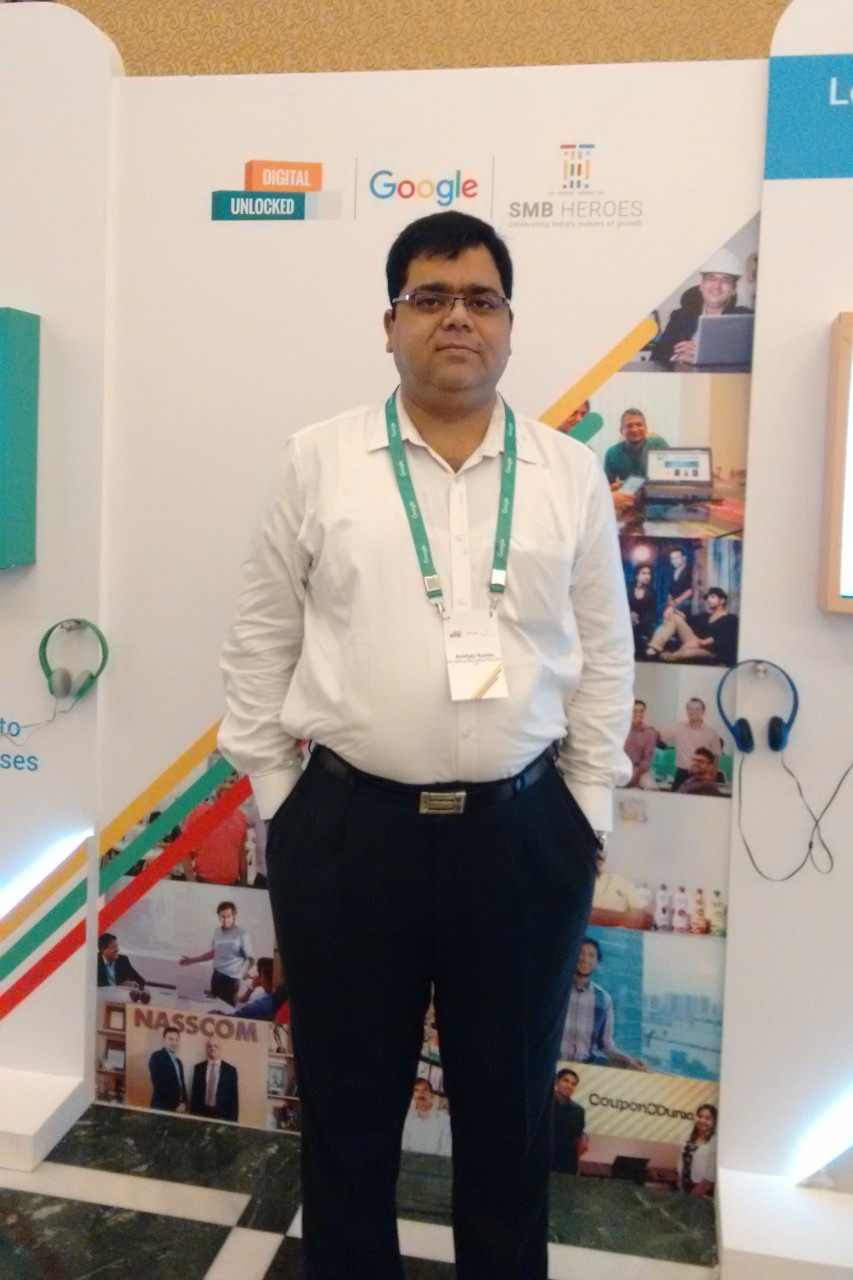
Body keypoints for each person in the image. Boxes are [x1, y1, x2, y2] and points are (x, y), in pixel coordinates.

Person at [218, 210, 634, 1280]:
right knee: (348, 1114)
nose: (458, 317)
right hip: (349, 831)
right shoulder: (317, 462)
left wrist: (584, 808)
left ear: (508, 324)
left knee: (509, 1114)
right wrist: (281, 797)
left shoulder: (566, 472)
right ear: (390, 321)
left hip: (521, 837)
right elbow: (261, 637)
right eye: (431, 296)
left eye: (480, 299)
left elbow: (604, 651)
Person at [650, 249, 752, 367]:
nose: (717, 285)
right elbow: (656, 358)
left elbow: (756, 361)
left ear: (733, 289)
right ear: (702, 285)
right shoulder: (680, 317)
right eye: (711, 278)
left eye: (725, 280)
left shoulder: (745, 319)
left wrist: (707, 354)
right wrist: (678, 358)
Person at [559, 938, 646, 1069]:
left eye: (591, 955)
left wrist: (629, 1060)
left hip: (586, 1069)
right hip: (554, 1066)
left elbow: (606, 1045)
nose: (585, 959)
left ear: (597, 963)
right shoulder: (557, 991)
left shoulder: (604, 999)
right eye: (581, 953)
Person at [179, 900, 254, 1007]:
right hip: (216, 977)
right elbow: (213, 953)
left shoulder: (242, 934)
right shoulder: (217, 932)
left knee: (227, 1012)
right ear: (219, 916)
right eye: (222, 916)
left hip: (231, 981)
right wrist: (191, 960)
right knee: (213, 1008)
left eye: (228, 916)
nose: (225, 919)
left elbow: (251, 958)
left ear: (234, 916)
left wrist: (249, 970)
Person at [181, 774, 249, 886]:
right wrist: (192, 883)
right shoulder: (199, 812)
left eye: (232, 782)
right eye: (222, 781)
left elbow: (242, 855)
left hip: (232, 887)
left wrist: (244, 884)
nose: (226, 786)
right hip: (204, 885)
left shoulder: (241, 817)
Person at [647, 588, 739, 668]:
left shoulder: (730, 619)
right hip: (696, 642)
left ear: (722, 600)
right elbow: (686, 619)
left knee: (685, 653)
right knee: (674, 618)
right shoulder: (705, 616)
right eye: (708, 598)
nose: (709, 600)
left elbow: (722, 638)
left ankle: (662, 656)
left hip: (710, 651)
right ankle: (654, 647)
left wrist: (699, 644)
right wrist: (672, 609)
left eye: (712, 597)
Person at [657, 698, 722, 792]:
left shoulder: (712, 732)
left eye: (697, 709)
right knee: (674, 800)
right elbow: (657, 735)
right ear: (687, 711)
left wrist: (712, 779)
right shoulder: (678, 727)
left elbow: (715, 757)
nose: (693, 712)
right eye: (690, 709)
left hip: (702, 776)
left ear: (703, 711)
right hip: (682, 775)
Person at [590, 849, 653, 930]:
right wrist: (623, 918)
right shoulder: (575, 883)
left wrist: (645, 917)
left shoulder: (621, 883)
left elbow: (642, 918)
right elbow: (577, 914)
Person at [604, 407, 668, 483]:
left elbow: (671, 475)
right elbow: (607, 484)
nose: (634, 429)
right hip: (628, 490)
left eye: (639, 424)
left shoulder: (659, 444)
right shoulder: (613, 453)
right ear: (621, 430)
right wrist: (615, 487)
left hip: (656, 489)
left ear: (645, 428)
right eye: (629, 426)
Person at [189, 1036, 239, 1122]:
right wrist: (193, 1118)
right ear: (207, 1049)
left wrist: (233, 1123)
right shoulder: (199, 1068)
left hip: (222, 1115)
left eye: (216, 1046)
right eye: (210, 1046)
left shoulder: (230, 1070)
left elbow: (234, 1099)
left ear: (220, 1049)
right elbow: (194, 1095)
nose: (212, 1048)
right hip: (202, 1113)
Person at [401, 1079, 452, 1156]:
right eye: (417, 1090)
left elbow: (447, 1150)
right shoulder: (406, 1119)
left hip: (436, 1163)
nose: (421, 1094)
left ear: (431, 1095)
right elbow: (403, 1147)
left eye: (425, 1090)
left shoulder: (445, 1120)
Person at [550, 1068, 588, 1174]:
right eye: (566, 1081)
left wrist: (584, 1138)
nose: (569, 1086)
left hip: (566, 1165)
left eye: (573, 1084)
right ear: (556, 1081)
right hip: (541, 1159)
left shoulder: (578, 1111)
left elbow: (578, 1135)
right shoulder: (544, 1104)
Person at [678, 1104, 718, 1195]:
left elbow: (710, 1175)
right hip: (684, 1186)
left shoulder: (714, 1142)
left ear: (714, 1121)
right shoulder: (688, 1137)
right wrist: (680, 1185)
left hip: (702, 1190)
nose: (702, 1120)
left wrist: (694, 1194)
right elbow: (681, 1161)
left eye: (708, 1118)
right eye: (700, 1116)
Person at [148, 1026, 188, 1113]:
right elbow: (159, 1085)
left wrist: (184, 1103)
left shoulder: (179, 1062)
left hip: (178, 1110)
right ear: (164, 1040)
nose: (174, 1042)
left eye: (176, 1040)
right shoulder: (157, 1057)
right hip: (162, 1108)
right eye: (171, 1039)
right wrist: (176, 1105)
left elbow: (182, 1085)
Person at [623, 699, 659, 790]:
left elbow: (647, 759)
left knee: (652, 788)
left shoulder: (650, 733)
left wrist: (636, 777)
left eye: (641, 711)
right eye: (635, 711)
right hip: (618, 769)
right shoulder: (619, 729)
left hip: (638, 770)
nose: (638, 714)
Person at [627, 564, 659, 658]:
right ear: (636, 576)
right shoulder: (627, 587)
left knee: (653, 629)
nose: (647, 576)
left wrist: (638, 621)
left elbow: (651, 614)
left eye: (649, 574)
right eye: (644, 573)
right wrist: (629, 614)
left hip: (642, 624)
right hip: (625, 621)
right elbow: (619, 604)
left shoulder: (652, 593)